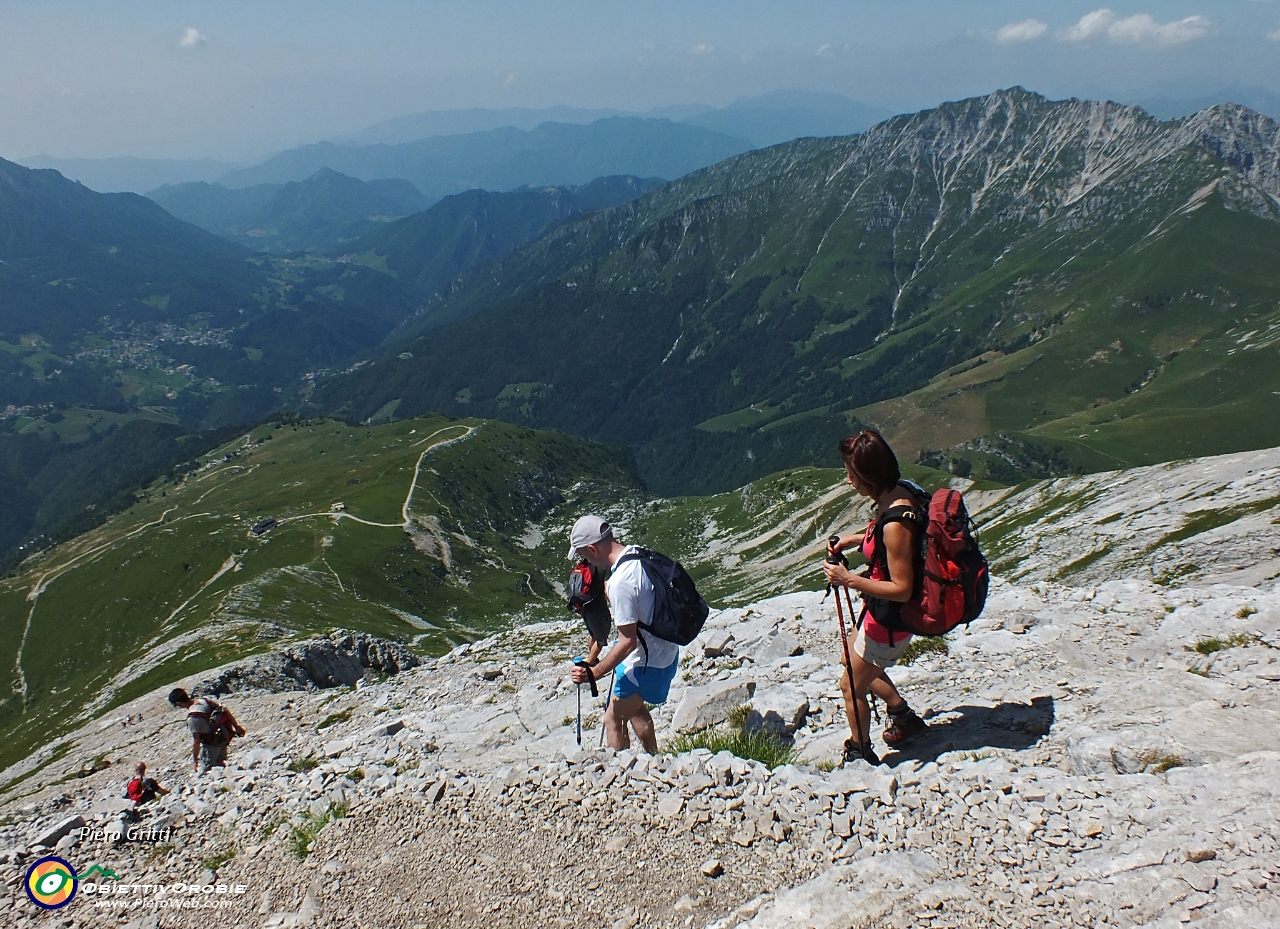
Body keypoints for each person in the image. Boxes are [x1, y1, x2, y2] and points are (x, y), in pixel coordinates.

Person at [822, 430, 930, 765]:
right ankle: (902, 714)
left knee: (850, 684)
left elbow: (902, 588)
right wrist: (853, 541)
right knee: (850, 663)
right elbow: (881, 537)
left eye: (851, 474)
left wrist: (848, 578)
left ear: (867, 476)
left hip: (889, 619)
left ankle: (859, 751)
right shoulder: (900, 492)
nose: (848, 479)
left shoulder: (897, 523)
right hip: (878, 612)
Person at [568, 515, 679, 753]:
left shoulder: (620, 582)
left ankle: (620, 777)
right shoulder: (636, 553)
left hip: (646, 664)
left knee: (612, 720)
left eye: (583, 555)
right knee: (634, 709)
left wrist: (594, 672)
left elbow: (626, 642)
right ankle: (653, 757)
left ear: (592, 548)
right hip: (664, 651)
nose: (584, 561)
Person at [167, 688, 245, 772]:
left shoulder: (193, 718)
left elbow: (197, 741)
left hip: (210, 744)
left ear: (178, 703)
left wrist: (195, 760)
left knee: (208, 770)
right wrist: (237, 727)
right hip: (224, 736)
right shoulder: (205, 700)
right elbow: (224, 711)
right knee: (220, 762)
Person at [568, 558, 612, 666]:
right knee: (601, 639)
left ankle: (593, 658)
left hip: (583, 607)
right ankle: (588, 664)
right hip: (597, 607)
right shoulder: (604, 567)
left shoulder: (584, 564)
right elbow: (606, 589)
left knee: (593, 634)